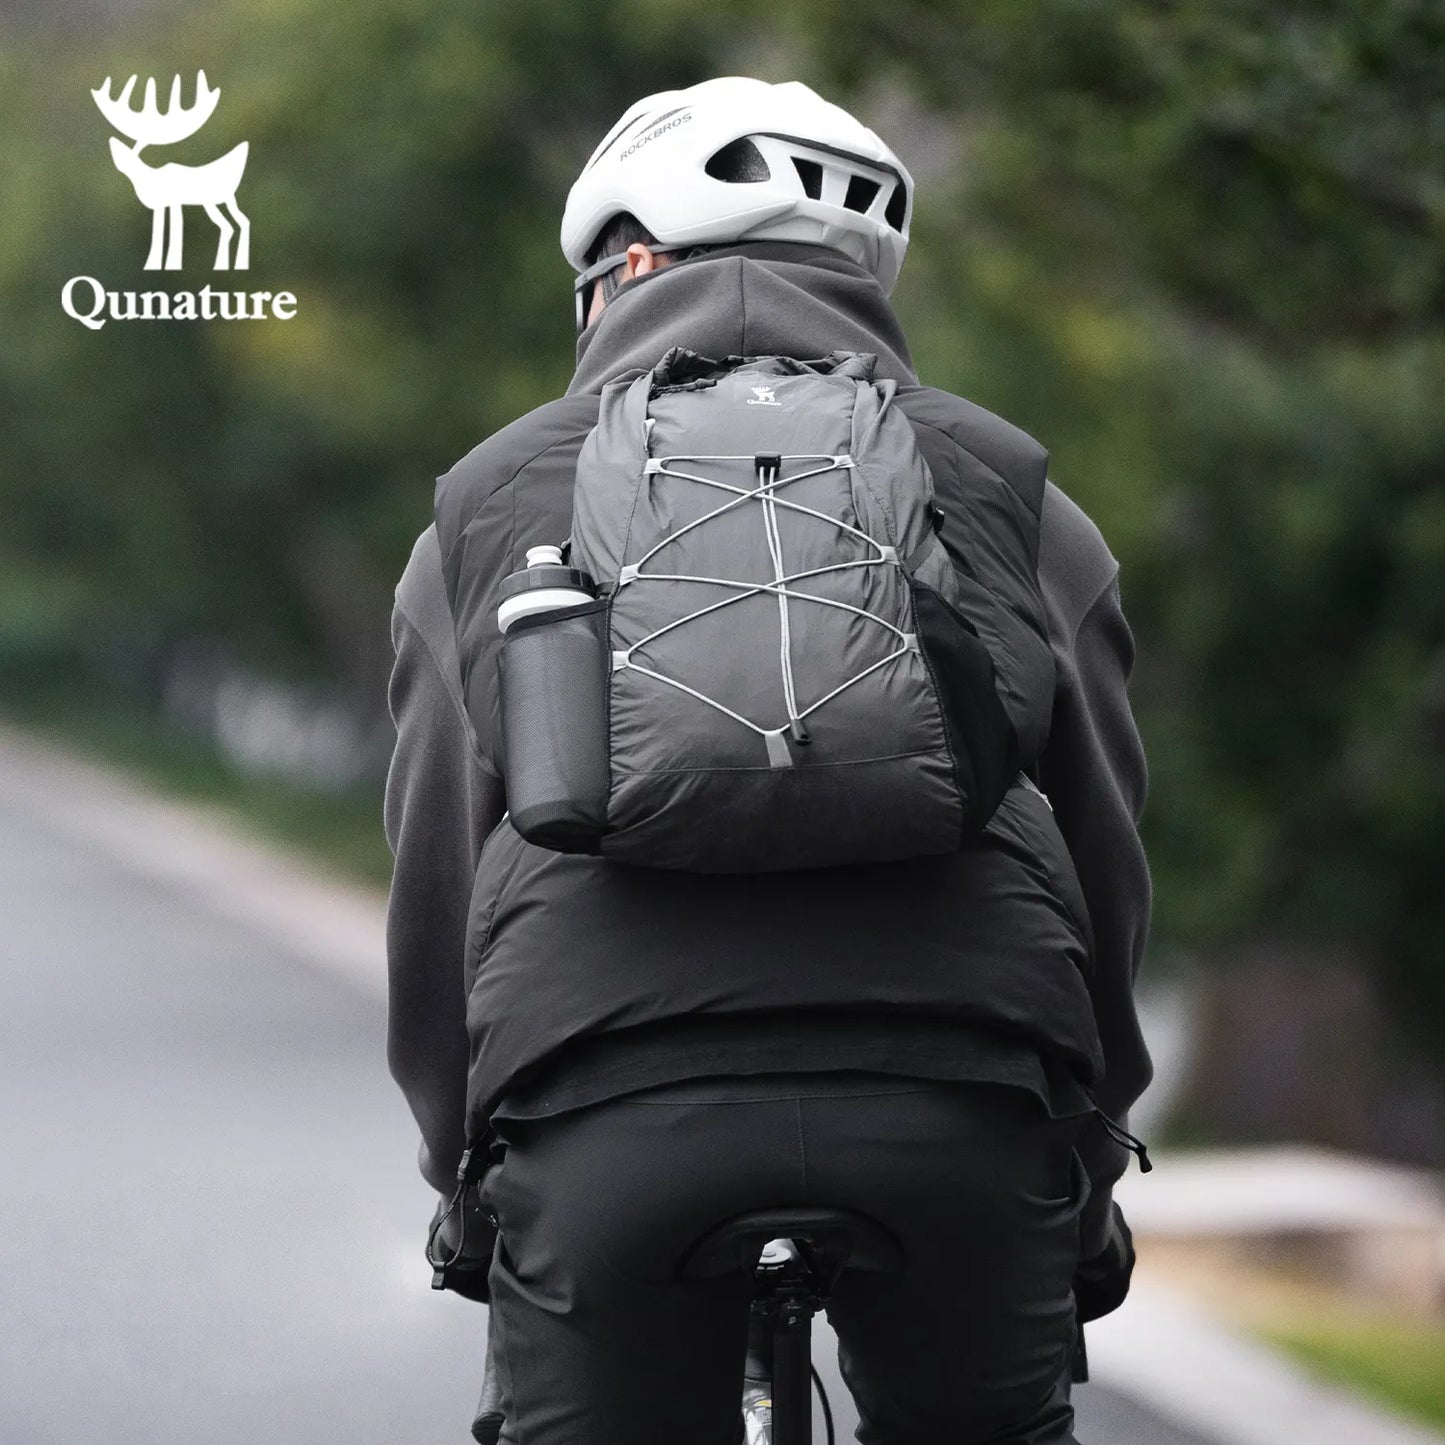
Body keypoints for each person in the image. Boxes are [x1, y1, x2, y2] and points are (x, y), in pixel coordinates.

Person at [385, 76, 1152, 1445]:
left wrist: (464, 1170)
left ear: (622, 269)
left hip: (604, 1116)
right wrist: (1085, 1153)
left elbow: (438, 879)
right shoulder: (1008, 484)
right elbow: (1104, 861)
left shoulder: (485, 502)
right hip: (962, 1109)